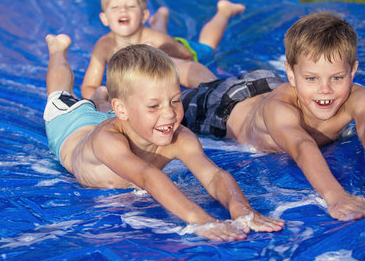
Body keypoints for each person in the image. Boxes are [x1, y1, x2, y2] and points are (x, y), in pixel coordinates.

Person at [44, 34, 284, 241]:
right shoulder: (108, 141)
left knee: (110, 111)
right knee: (59, 94)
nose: (169, 114)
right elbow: (148, 177)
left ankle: (101, 100)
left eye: (175, 100)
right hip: (71, 126)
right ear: (123, 110)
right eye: (154, 106)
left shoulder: (178, 136)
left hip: (118, 117)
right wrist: (201, 220)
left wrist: (241, 209)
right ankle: (57, 51)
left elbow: (214, 176)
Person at [179, 12, 365, 221]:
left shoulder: (357, 96)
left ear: (353, 71)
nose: (325, 89)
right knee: (175, 100)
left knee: (210, 81)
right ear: (291, 73)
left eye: (337, 78)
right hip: (226, 106)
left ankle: (187, 66)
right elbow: (301, 145)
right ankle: (163, 58)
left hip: (268, 83)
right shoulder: (279, 109)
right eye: (312, 79)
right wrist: (336, 196)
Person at [81, 0, 245, 98]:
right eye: (115, 7)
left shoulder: (158, 40)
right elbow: (89, 86)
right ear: (104, 18)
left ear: (144, 15)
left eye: (130, 6)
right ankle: (160, 18)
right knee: (151, 42)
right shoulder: (104, 46)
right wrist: (101, 99)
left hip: (179, 50)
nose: (123, 10)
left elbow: (186, 56)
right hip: (150, 39)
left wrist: (164, 56)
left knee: (208, 46)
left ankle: (224, 11)